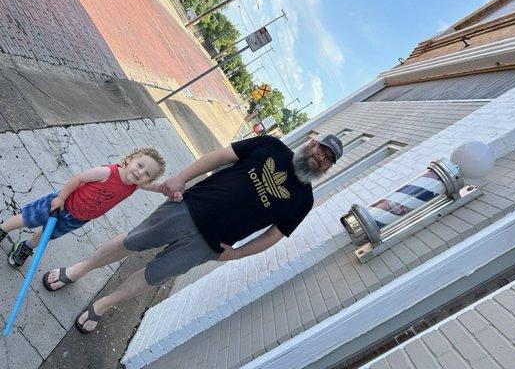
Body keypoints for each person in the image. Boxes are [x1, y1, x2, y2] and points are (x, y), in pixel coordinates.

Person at [42, 134, 343, 334]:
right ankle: (76, 270)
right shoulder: (272, 146)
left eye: (328, 158)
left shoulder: (304, 200)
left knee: (153, 276)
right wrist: (180, 179)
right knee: (130, 241)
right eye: (322, 149)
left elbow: (273, 237)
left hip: (208, 245)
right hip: (185, 208)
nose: (321, 157)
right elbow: (220, 156)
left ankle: (102, 305)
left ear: (328, 168)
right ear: (312, 142)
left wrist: (234, 254)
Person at [0, 147, 166, 270]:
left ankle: (26, 247)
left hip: (77, 219)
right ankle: (4, 228)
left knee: (47, 235)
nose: (140, 172)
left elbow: (154, 187)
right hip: (62, 203)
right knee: (28, 218)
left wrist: (166, 189)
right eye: (140, 165)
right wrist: (60, 198)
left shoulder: (134, 186)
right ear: (129, 159)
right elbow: (78, 178)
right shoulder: (108, 172)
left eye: (147, 174)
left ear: (147, 181)